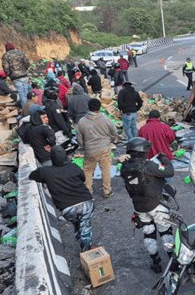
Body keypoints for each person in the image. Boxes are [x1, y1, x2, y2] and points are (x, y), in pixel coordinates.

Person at [119, 137, 174, 273]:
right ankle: (173, 263)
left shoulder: (124, 168)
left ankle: (156, 263)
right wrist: (163, 158)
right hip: (156, 204)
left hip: (139, 206)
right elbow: (169, 171)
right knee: (165, 232)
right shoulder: (148, 165)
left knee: (148, 233)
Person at [29, 146, 94, 252]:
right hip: (85, 202)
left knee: (77, 224)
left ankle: (83, 244)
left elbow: (31, 176)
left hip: (67, 209)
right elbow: (83, 178)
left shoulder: (46, 171)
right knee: (85, 226)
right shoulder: (73, 167)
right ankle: (87, 251)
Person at [76, 99, 120, 198]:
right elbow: (115, 132)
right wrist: (111, 140)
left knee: (88, 171)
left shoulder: (82, 121)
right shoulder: (105, 119)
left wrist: (84, 146)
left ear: (88, 107)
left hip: (90, 150)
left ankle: (88, 191)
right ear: (99, 107)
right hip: (104, 149)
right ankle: (107, 191)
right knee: (105, 170)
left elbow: (79, 138)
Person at [1, 42, 31, 107]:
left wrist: (8, 74)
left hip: (15, 77)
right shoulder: (20, 53)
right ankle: (29, 107)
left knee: (21, 93)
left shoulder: (6, 55)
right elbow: (27, 63)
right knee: (26, 92)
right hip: (24, 75)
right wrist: (25, 69)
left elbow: (5, 67)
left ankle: (26, 109)